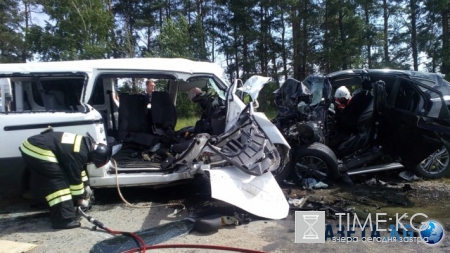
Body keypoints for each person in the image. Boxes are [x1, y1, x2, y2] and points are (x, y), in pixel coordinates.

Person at [19, 128, 111, 229]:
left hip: (34, 145)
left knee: (55, 178)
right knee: (58, 182)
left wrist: (86, 185)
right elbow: (75, 179)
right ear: (95, 156)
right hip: (37, 147)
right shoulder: (79, 153)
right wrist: (80, 200)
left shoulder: (85, 145)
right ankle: (62, 220)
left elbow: (79, 170)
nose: (91, 162)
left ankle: (55, 208)